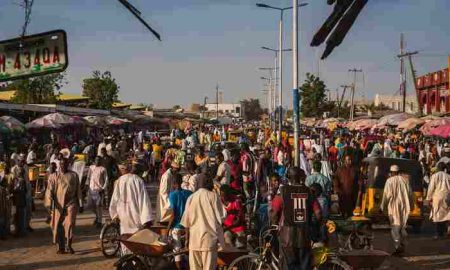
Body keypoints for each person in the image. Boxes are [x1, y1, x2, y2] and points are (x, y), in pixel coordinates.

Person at [269, 167, 321, 270]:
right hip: (305, 236)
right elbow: (318, 213)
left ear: (288, 177)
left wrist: (274, 226)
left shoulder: (282, 192)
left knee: (289, 266)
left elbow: (274, 213)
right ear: (301, 177)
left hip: (287, 238)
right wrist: (314, 228)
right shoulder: (309, 192)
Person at [180, 174, 225, 270]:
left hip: (194, 241)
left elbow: (186, 223)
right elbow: (221, 218)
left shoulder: (191, 198)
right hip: (209, 241)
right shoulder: (214, 197)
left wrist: (187, 241)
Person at [46, 158, 82, 254]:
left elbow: (78, 190)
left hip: (71, 202)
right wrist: (49, 204)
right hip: (58, 205)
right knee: (58, 226)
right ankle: (60, 247)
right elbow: (49, 190)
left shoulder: (74, 175)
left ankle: (68, 245)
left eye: (65, 164)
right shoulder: (54, 176)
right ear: (59, 165)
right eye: (61, 164)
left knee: (70, 223)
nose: (63, 166)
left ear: (68, 164)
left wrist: (81, 203)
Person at [109, 162, 153, 235]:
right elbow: (143, 201)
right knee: (135, 240)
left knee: (124, 237)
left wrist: (114, 214)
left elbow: (115, 198)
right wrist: (146, 219)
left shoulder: (120, 180)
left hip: (122, 215)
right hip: (135, 215)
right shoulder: (138, 180)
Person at [380, 165, 413, 255]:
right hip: (405, 206)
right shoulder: (405, 180)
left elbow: (386, 195)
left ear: (391, 172)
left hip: (393, 206)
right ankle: (403, 243)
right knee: (403, 225)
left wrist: (382, 207)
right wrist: (412, 206)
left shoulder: (389, 181)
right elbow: (410, 194)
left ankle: (398, 247)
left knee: (395, 227)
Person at [168, 174, 193, 269]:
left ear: (174, 184)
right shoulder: (189, 193)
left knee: (177, 250)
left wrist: (167, 231)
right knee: (189, 249)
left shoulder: (172, 195)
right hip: (188, 227)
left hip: (177, 227)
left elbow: (173, 215)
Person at [426, 162, 450, 239]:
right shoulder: (448, 176)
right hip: (447, 197)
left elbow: (431, 188)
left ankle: (437, 234)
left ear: (438, 168)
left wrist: (428, 198)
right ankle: (444, 231)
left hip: (437, 197)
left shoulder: (435, 176)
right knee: (445, 214)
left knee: (436, 214)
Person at [86, 157, 109, 227]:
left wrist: (103, 189)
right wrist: (86, 186)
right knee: (90, 206)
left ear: (101, 161)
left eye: (99, 160)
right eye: (96, 160)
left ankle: (99, 221)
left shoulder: (103, 169)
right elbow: (88, 177)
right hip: (91, 189)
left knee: (98, 206)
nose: (97, 161)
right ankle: (97, 216)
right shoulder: (91, 167)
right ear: (94, 161)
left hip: (99, 190)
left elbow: (106, 179)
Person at [221, 185, 246, 249]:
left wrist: (225, 228)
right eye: (222, 195)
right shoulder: (219, 202)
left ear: (229, 194)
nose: (224, 197)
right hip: (227, 229)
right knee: (227, 241)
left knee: (240, 246)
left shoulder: (236, 202)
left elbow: (238, 221)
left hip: (238, 228)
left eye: (226, 195)